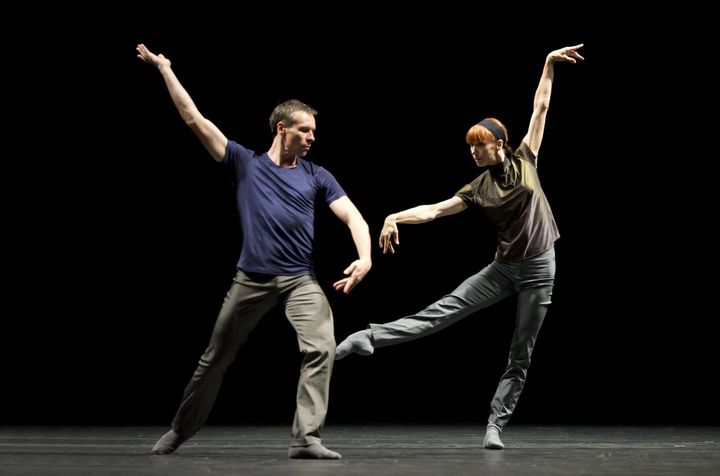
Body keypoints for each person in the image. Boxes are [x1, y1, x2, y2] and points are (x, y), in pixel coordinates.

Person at [335, 44, 584, 450]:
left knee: (521, 351)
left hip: (540, 269)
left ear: (500, 144)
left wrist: (547, 64)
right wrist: (394, 216)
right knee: (440, 312)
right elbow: (433, 211)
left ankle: (495, 425)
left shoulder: (526, 158)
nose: (473, 150)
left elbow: (539, 108)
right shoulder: (476, 188)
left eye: (480, 144)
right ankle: (369, 338)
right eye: (470, 145)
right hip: (503, 269)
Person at [136, 43, 372, 459]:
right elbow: (194, 118)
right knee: (215, 358)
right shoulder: (244, 163)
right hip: (251, 279)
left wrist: (365, 257)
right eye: (305, 130)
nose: (312, 137)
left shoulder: (318, 176)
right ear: (282, 128)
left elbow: (354, 218)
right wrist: (165, 69)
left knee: (321, 346)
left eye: (314, 132)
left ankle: (306, 439)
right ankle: (180, 430)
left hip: (300, 279)